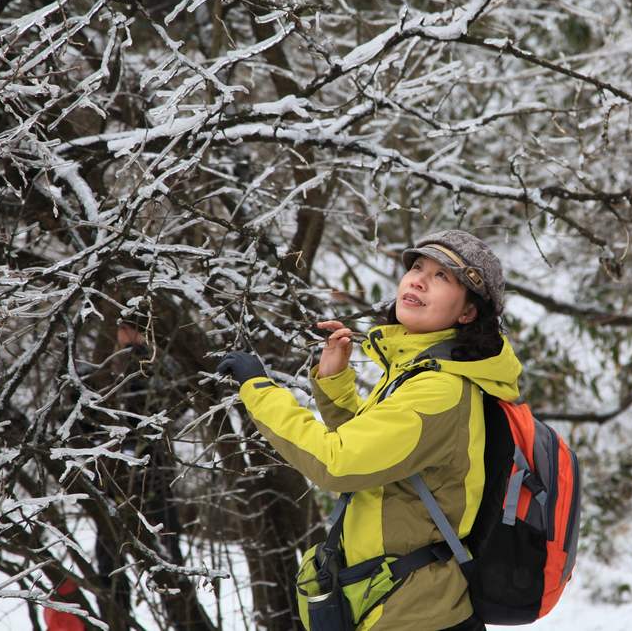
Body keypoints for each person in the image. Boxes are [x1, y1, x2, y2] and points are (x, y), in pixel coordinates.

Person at [218, 229, 523, 630]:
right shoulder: (419, 372)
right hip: (394, 601)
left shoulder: (438, 389)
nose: (417, 279)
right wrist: (335, 382)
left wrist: (259, 389)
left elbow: (339, 462)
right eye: (416, 267)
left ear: (468, 313)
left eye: (442, 276)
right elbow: (376, 468)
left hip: (415, 614)